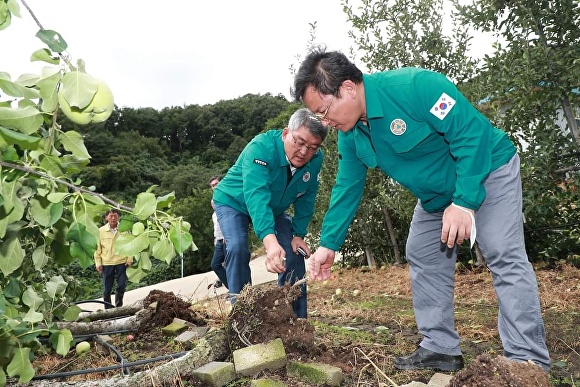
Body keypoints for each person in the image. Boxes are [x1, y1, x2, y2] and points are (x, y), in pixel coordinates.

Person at [291, 47, 551, 372]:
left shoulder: (417, 87)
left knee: (503, 252)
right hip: (436, 197)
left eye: (324, 111)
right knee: (422, 251)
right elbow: (346, 188)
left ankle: (528, 362)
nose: (324, 122)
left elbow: (472, 134)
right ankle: (440, 348)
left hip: (487, 171)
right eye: (317, 116)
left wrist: (465, 202)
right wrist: (328, 245)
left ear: (347, 88)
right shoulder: (352, 135)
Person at [212, 107, 328, 318]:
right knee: (237, 248)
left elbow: (307, 196)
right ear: (285, 133)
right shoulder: (261, 148)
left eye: (312, 147)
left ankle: (295, 319)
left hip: (273, 208)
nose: (304, 152)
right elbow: (256, 197)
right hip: (233, 202)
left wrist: (298, 234)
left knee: (294, 251)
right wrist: (270, 242)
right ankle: (243, 315)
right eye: (299, 142)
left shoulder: (315, 159)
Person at [94, 208, 132, 309]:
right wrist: (98, 263)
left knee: (121, 286)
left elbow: (130, 244)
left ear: (118, 216)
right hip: (107, 262)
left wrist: (129, 259)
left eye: (115, 215)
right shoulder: (100, 231)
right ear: (106, 217)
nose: (113, 218)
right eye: (111, 216)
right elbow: (97, 249)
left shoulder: (124, 228)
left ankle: (119, 307)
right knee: (107, 289)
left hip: (121, 261)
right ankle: (108, 310)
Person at [209, 175, 228, 289]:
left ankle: (236, 290)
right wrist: (216, 238)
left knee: (230, 265)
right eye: (213, 186)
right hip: (219, 240)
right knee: (215, 264)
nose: (215, 187)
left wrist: (227, 234)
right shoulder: (214, 214)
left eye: (216, 184)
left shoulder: (226, 197)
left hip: (227, 239)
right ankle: (231, 287)